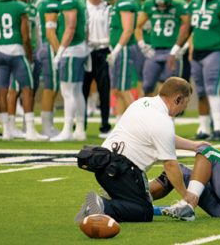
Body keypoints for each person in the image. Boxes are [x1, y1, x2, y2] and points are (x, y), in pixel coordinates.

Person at [74, 77, 209, 223]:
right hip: (123, 170)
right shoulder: (163, 121)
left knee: (139, 202)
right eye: (186, 102)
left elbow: (163, 137)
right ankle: (104, 205)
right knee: (143, 212)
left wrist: (193, 145)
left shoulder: (142, 103)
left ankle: (114, 196)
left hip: (103, 163)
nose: (184, 108)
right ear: (177, 99)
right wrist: (186, 195)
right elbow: (170, 165)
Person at [168, 0, 220, 142]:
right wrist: (174, 50)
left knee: (213, 90)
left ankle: (219, 129)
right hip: (197, 53)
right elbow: (187, 29)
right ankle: (204, 128)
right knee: (201, 93)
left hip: (214, 51)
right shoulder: (195, 3)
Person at [0, 0, 46, 140]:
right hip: (16, 51)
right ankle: (31, 130)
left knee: (2, 90)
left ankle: (7, 130)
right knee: (27, 89)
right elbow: (25, 36)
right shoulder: (20, 7)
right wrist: (30, 56)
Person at [51, 0, 89, 141]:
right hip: (80, 48)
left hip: (71, 49)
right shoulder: (80, 0)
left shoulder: (69, 1)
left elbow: (70, 27)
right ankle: (79, 129)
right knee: (77, 91)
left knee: (68, 92)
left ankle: (67, 130)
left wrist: (60, 51)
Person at [135, 0, 188, 96]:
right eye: (159, 4)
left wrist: (184, 46)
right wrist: (142, 44)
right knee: (147, 85)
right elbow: (137, 27)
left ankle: (167, 113)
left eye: (164, 3)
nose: (161, 7)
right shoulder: (149, 4)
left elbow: (190, 27)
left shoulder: (179, 5)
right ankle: (147, 112)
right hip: (154, 50)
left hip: (172, 51)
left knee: (170, 87)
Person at [101, 0, 137, 121]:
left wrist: (116, 50)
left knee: (123, 88)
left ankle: (140, 122)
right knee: (117, 89)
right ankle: (120, 122)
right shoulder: (114, 5)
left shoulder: (123, 2)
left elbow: (128, 30)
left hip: (123, 50)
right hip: (116, 49)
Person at [83, 0, 112, 138]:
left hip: (103, 51)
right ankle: (80, 125)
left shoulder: (107, 7)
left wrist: (103, 43)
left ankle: (105, 125)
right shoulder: (82, 7)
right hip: (86, 51)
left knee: (104, 90)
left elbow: (111, 31)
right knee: (82, 90)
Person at [35, 0, 61, 137]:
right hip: (50, 45)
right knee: (50, 87)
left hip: (45, 45)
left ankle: (48, 125)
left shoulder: (42, 2)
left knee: (52, 87)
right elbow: (50, 32)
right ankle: (46, 126)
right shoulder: (50, 4)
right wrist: (60, 51)